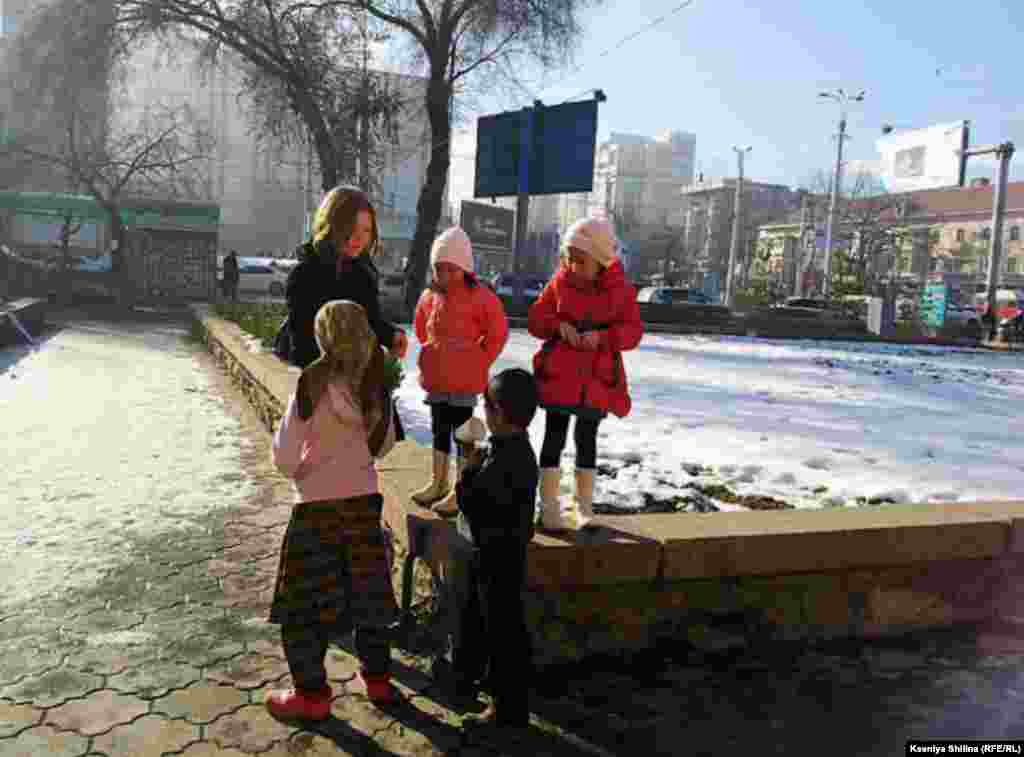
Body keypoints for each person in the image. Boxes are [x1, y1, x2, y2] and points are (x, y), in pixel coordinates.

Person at [266, 300, 399, 721]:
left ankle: (311, 693)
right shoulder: (375, 383)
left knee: (304, 605)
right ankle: (377, 679)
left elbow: (284, 457)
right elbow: (386, 445)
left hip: (316, 510)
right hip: (362, 503)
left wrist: (307, 472)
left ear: (323, 337)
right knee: (369, 596)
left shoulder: (311, 383)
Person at [527, 216, 644, 531]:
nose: (573, 266)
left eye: (581, 260)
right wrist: (557, 325)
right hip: (560, 377)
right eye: (569, 258)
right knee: (554, 437)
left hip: (595, 379)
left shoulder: (619, 290)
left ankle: (584, 507)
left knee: (586, 438)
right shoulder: (559, 282)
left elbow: (633, 332)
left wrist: (604, 338)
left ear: (602, 261)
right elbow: (537, 319)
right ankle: (548, 507)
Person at [450, 368, 539, 733]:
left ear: (498, 412)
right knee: (497, 626)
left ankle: (507, 710)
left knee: (502, 632)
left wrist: (467, 472)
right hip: (505, 554)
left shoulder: (503, 459)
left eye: (486, 404)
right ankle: (487, 688)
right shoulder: (515, 450)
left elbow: (473, 503)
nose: (483, 411)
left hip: (496, 557)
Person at [410, 226, 509, 515]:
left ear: (465, 268)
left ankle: (459, 489)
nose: (444, 276)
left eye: (451, 269)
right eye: (439, 269)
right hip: (438, 379)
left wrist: (481, 358)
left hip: (465, 380)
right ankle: (437, 481)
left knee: (462, 434)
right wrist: (430, 350)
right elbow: (420, 323)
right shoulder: (430, 296)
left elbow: (498, 331)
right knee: (439, 429)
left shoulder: (481, 297)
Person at [284, 186, 408, 369]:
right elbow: (302, 345)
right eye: (351, 228)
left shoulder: (363, 274)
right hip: (317, 381)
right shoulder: (305, 275)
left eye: (366, 230)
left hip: (352, 381)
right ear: (331, 226)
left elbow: (369, 322)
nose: (358, 238)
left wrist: (391, 336)